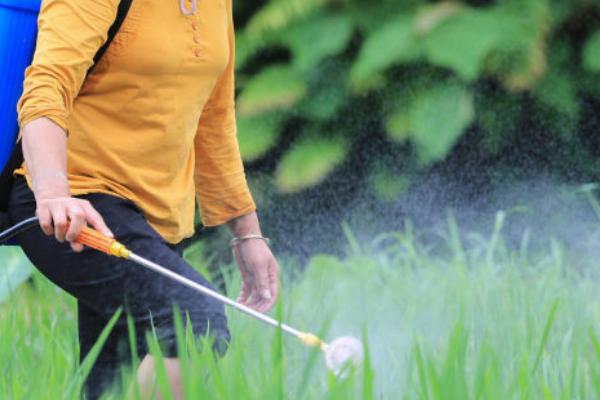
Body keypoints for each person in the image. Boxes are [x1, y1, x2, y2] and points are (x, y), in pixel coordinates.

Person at [7, 0, 280, 398]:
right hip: (79, 206)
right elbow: (47, 87)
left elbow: (214, 117)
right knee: (193, 324)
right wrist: (53, 193)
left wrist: (248, 233)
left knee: (114, 379)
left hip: (156, 219)